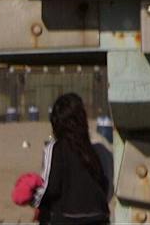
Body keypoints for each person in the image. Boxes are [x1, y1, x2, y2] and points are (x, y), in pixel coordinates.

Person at [36, 91, 113, 223]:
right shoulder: (99, 149)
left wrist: (32, 199)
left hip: (67, 219)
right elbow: (108, 187)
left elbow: (49, 189)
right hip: (99, 218)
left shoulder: (55, 149)